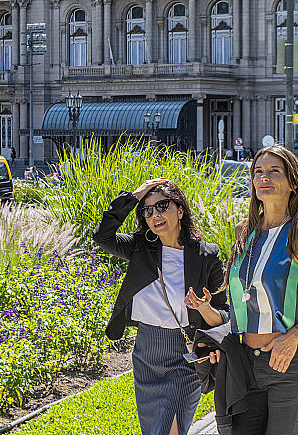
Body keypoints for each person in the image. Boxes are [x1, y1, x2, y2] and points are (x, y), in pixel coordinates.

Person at [208, 144, 298, 434]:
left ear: (292, 183)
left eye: (275, 171)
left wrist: (294, 337)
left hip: (288, 363)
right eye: (259, 171)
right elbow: (243, 298)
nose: (265, 177)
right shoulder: (243, 231)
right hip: (244, 364)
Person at [93, 178, 229, 435]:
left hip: (185, 357)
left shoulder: (205, 256)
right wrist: (135, 195)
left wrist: (203, 309)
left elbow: (224, 317)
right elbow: (102, 235)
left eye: (162, 206)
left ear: (180, 210)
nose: (154, 214)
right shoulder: (139, 248)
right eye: (148, 210)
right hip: (146, 354)